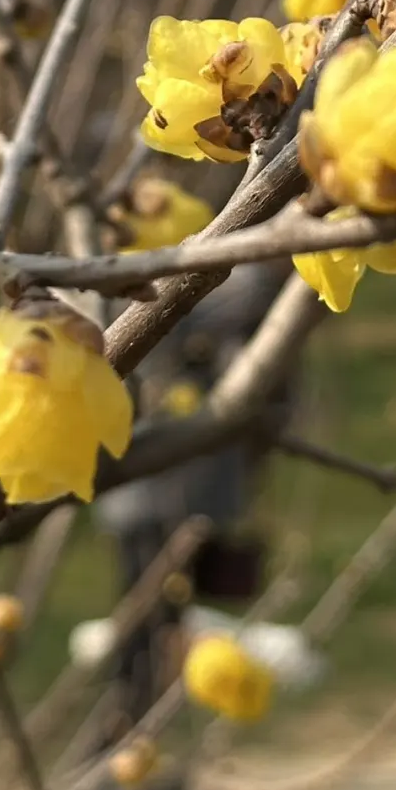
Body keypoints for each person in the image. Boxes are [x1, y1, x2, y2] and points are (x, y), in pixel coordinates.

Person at [90, 260, 296, 740]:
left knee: (159, 618)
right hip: (157, 486)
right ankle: (128, 734)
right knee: (150, 620)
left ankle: (136, 734)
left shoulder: (234, 292)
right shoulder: (237, 284)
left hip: (177, 487)